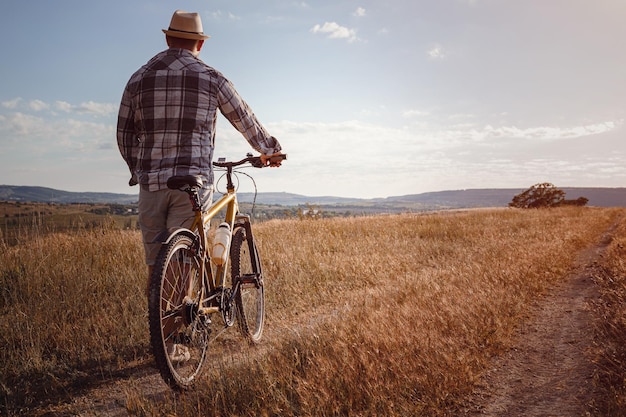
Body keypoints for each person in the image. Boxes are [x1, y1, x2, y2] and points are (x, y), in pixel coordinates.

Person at [117, 10, 283, 360]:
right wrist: (269, 150)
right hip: (191, 182)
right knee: (183, 262)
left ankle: (159, 340)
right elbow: (243, 117)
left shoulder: (139, 77)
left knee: (158, 262)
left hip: (151, 184)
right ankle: (173, 344)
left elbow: (123, 133)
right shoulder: (210, 77)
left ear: (166, 38)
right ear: (201, 43)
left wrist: (139, 169)